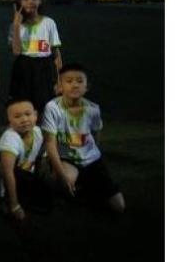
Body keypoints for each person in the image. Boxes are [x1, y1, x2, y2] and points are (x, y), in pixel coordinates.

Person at [41, 63, 125, 213]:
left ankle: (85, 184)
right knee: (63, 181)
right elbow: (50, 144)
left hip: (91, 160)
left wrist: (93, 156)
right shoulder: (52, 108)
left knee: (119, 206)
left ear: (87, 87)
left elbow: (96, 135)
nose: (74, 85)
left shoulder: (93, 109)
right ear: (60, 86)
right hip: (67, 160)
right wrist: (61, 175)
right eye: (69, 81)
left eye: (80, 81)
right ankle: (68, 182)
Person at [0, 98, 51, 221]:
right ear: (9, 121)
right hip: (2, 176)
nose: (24, 119)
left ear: (35, 115)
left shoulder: (37, 131)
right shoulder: (10, 138)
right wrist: (14, 205)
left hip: (24, 171)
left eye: (28, 114)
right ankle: (0, 199)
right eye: (17, 116)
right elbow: (7, 173)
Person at [9, 0, 62, 117]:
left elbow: (56, 54)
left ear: (40, 0)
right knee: (24, 109)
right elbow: (16, 51)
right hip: (23, 69)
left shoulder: (49, 23)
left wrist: (59, 80)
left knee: (46, 109)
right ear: (19, 1)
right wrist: (16, 26)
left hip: (44, 69)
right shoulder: (15, 26)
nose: (30, 2)